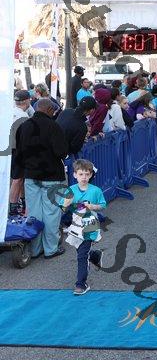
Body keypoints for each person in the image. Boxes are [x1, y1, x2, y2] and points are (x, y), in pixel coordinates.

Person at [14, 98, 68, 259]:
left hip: (31, 175)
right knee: (51, 213)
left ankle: (35, 249)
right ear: (49, 110)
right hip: (51, 175)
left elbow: (18, 152)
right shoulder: (54, 126)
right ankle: (50, 248)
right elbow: (61, 152)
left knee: (34, 213)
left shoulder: (24, 126)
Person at [60, 159, 106, 295]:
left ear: (91, 175)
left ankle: (81, 284)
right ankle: (95, 255)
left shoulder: (96, 191)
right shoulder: (71, 190)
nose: (84, 177)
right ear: (75, 175)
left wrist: (92, 206)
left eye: (87, 174)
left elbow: (103, 205)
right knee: (81, 251)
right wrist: (66, 203)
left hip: (90, 225)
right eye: (81, 174)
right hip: (75, 225)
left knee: (81, 255)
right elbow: (63, 208)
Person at [9, 91, 33, 216]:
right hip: (17, 150)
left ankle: (21, 203)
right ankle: (13, 208)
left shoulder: (10, 111)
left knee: (20, 177)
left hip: (9, 149)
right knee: (17, 179)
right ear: (26, 100)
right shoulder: (23, 116)